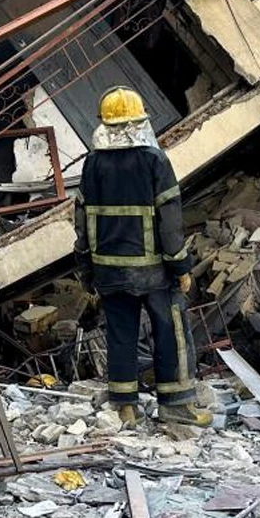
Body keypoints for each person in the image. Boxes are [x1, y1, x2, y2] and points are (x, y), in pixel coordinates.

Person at [74, 86, 215, 428]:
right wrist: (180, 265)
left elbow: (81, 218)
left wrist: (85, 269)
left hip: (109, 271)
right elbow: (169, 221)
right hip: (153, 272)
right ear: (140, 123)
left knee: (120, 334)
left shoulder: (93, 163)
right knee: (170, 332)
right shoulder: (155, 160)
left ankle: (125, 407)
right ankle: (176, 406)